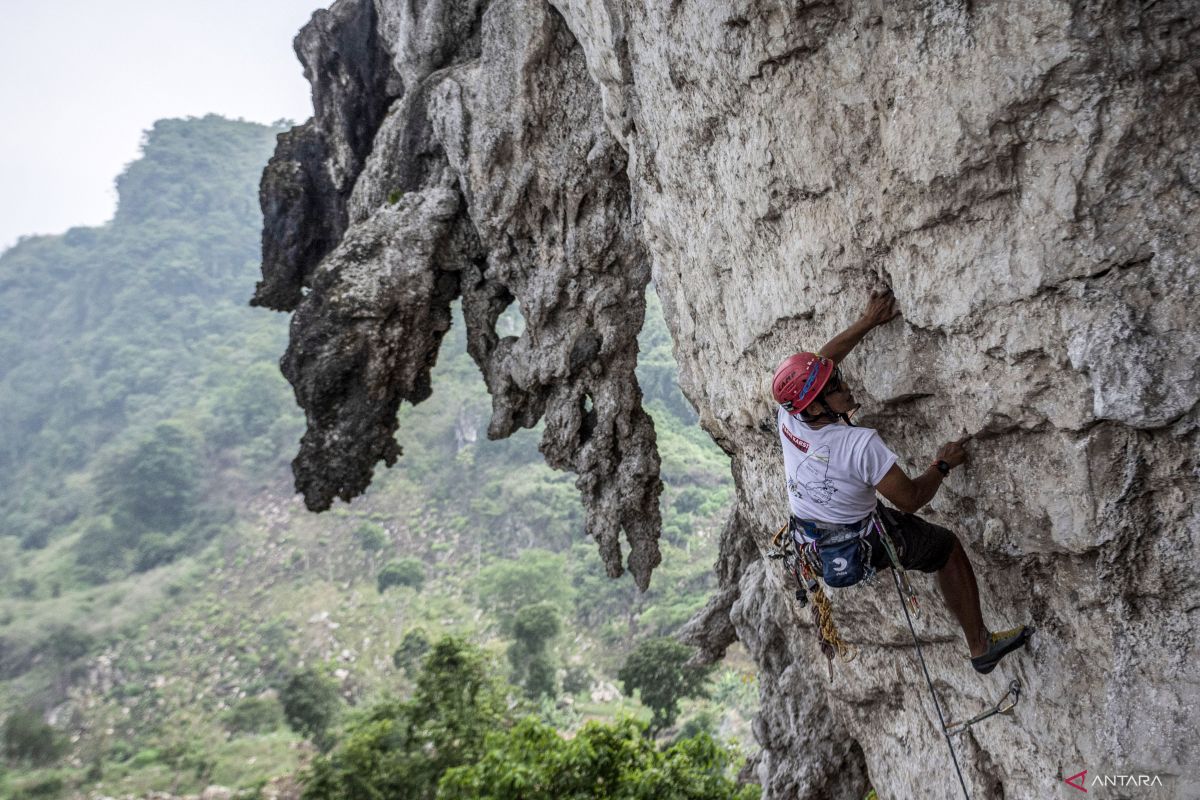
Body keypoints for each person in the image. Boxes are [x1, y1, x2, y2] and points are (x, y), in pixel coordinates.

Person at [771, 289, 1031, 675]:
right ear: (814, 405)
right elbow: (910, 499)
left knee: (874, 509)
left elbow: (824, 361)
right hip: (860, 536)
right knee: (945, 548)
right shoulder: (858, 444)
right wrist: (942, 465)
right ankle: (980, 646)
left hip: (811, 534)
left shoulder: (789, 415)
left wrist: (867, 321)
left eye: (838, 380)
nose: (845, 385)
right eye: (835, 388)